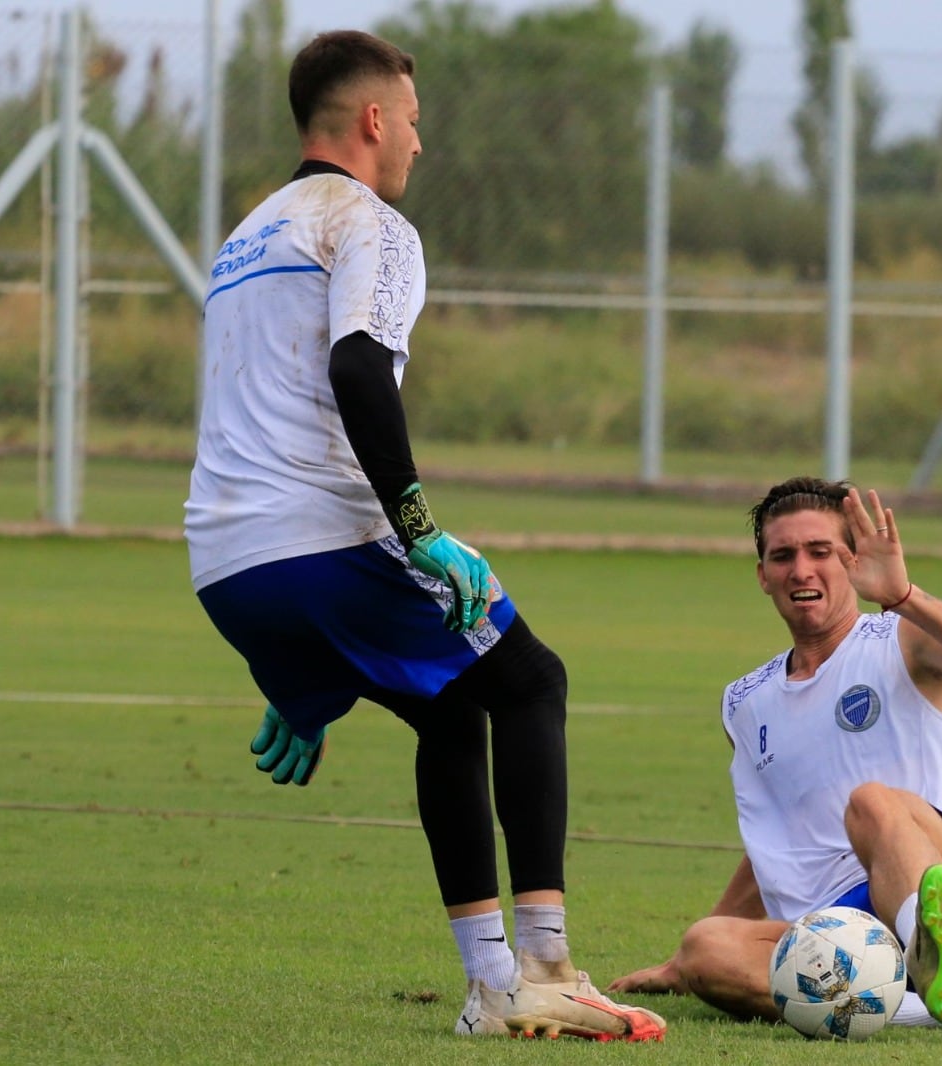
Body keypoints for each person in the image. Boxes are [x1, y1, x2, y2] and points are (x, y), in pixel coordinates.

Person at [182, 30, 664, 1043]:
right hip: (325, 538)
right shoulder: (371, 223)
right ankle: (543, 968)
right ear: (370, 121)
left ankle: (491, 988)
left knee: (449, 704)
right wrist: (421, 532)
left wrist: (304, 671)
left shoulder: (246, 235)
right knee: (532, 680)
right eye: (410, 120)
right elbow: (359, 370)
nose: (417, 142)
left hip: (225, 563)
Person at [608, 477, 942, 1034]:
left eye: (821, 552)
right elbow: (781, 840)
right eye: (783, 555)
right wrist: (682, 966)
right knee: (705, 945)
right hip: (835, 933)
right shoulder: (745, 702)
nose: (801, 569)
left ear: (854, 560)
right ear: (763, 576)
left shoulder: (901, 638)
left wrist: (904, 595)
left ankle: (933, 949)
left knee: (871, 804)